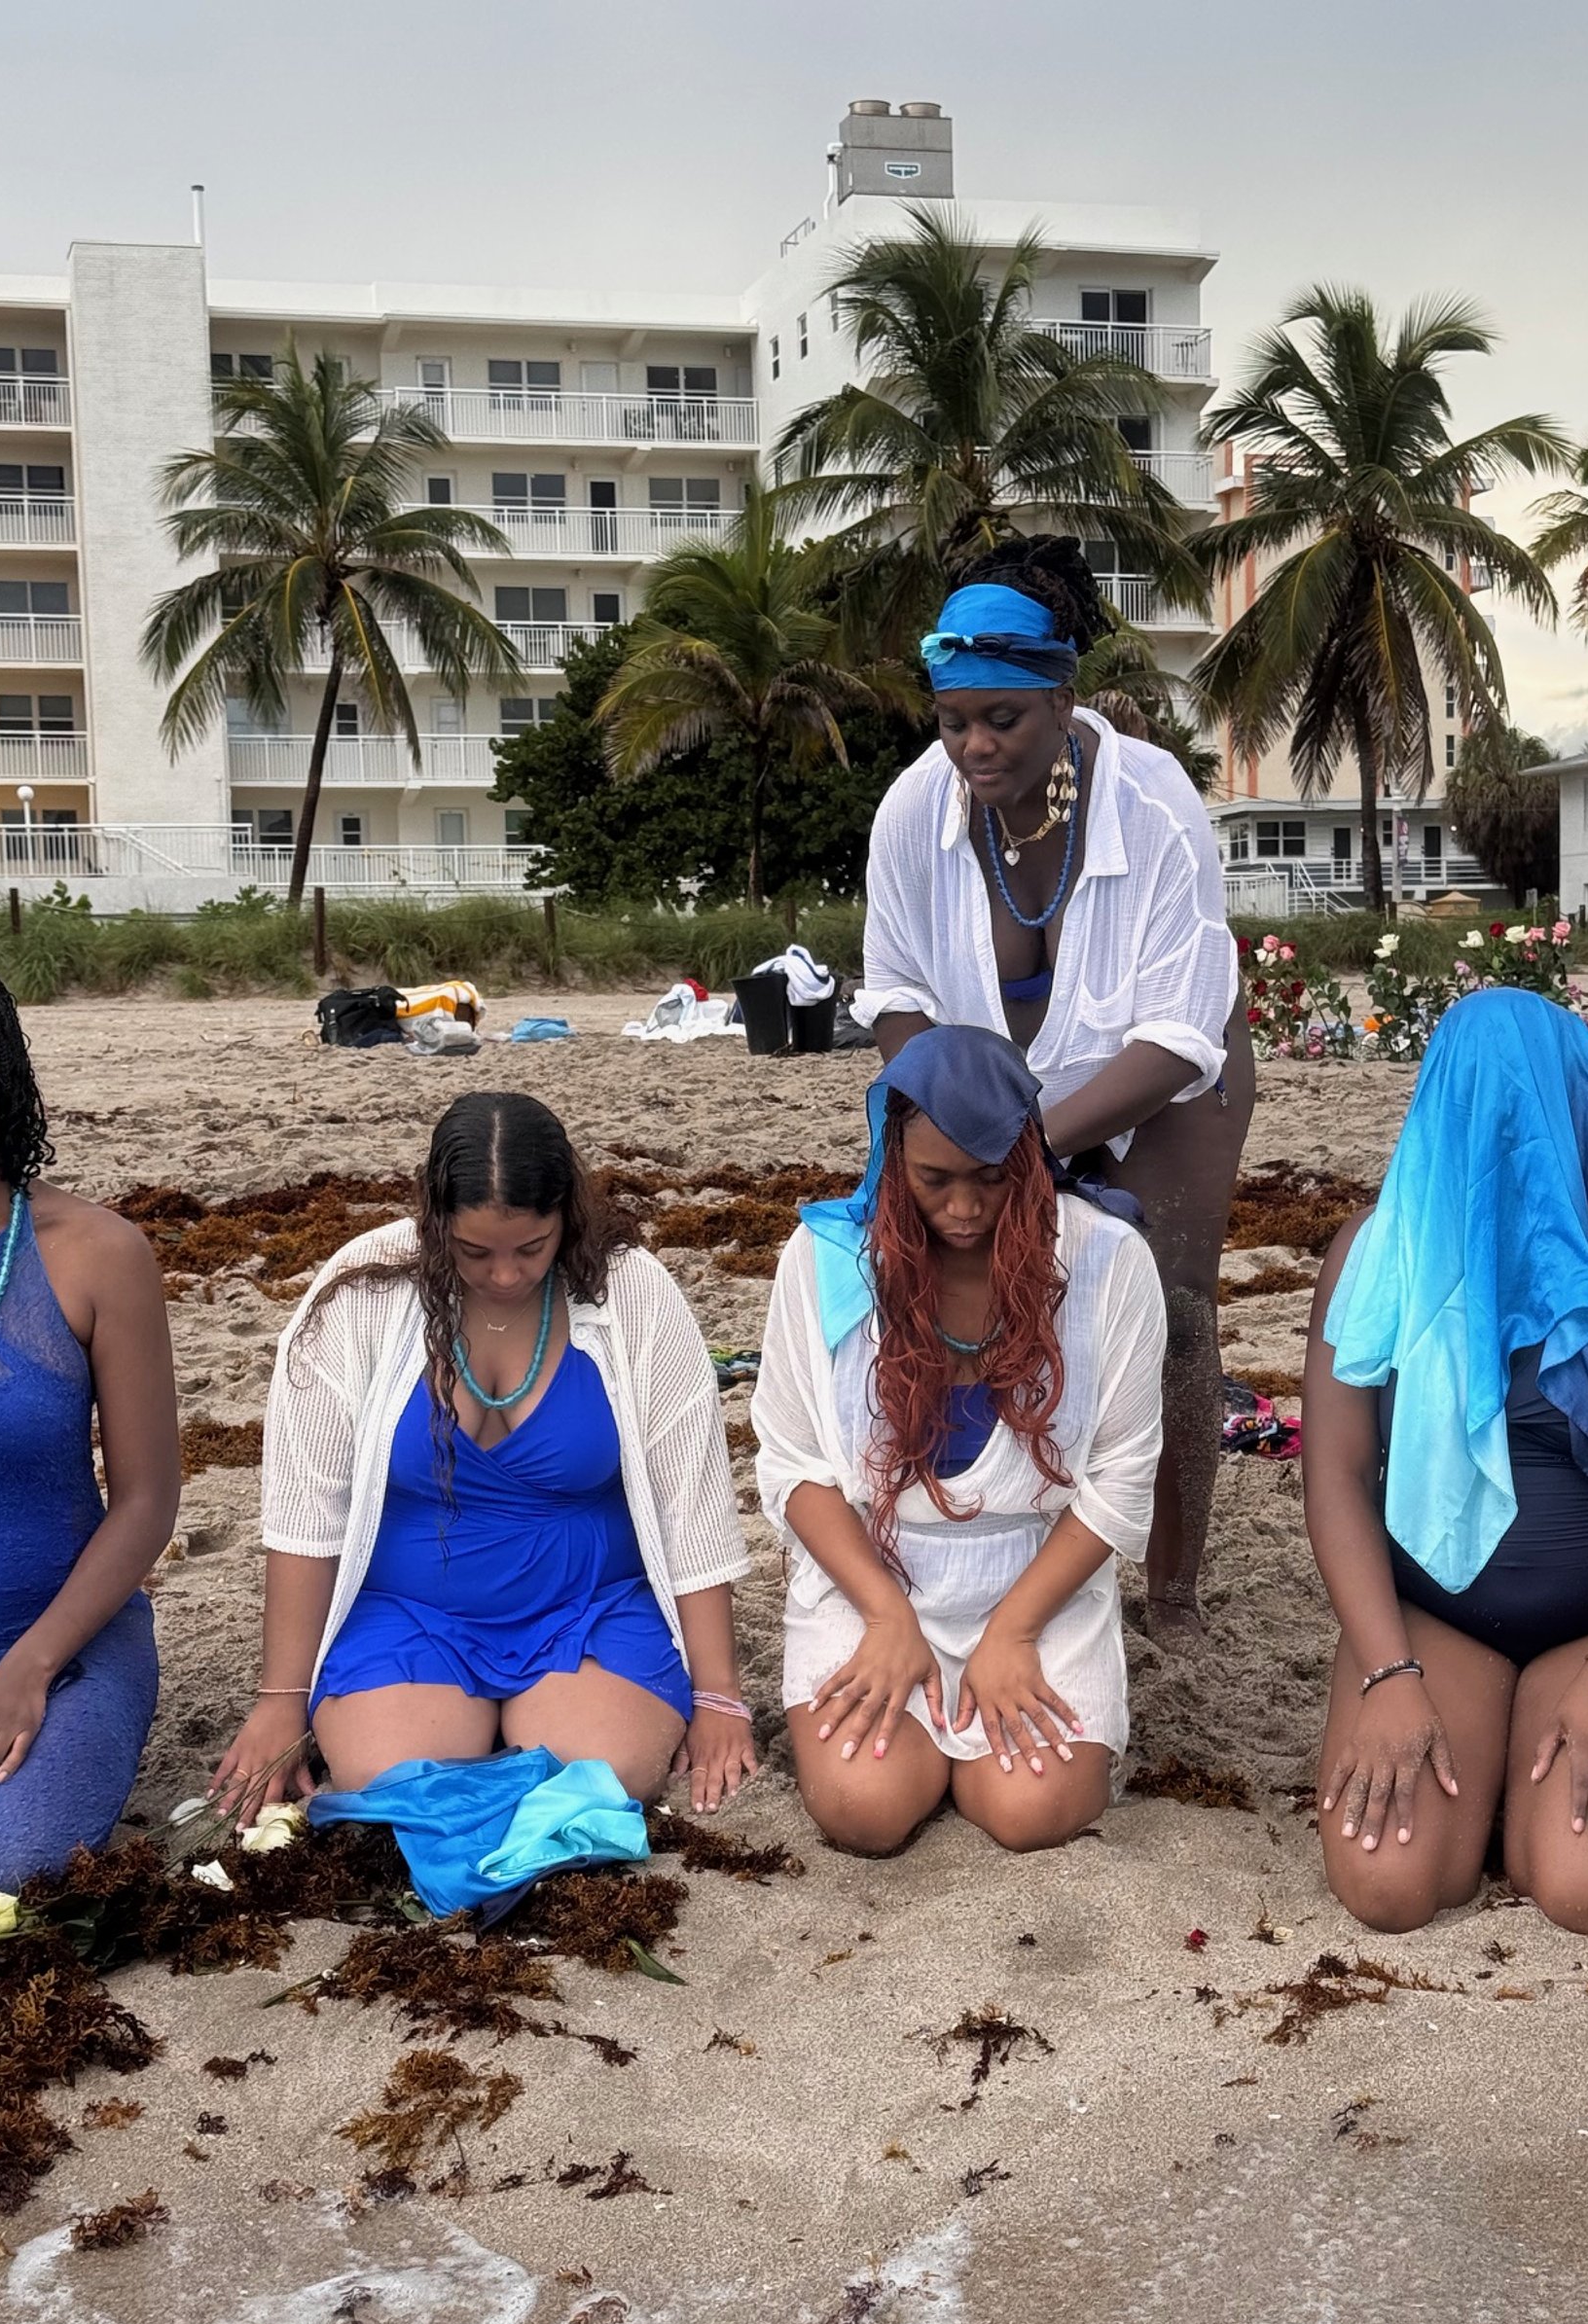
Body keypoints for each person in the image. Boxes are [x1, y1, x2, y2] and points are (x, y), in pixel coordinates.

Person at [854, 534, 1251, 1645]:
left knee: (1165, 1302)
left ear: (1063, 697)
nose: (973, 745)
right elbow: (893, 989)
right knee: (945, 1260)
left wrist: (1024, 1145)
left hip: (1166, 1072)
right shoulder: (911, 813)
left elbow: (1179, 1031)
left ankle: (1171, 1593)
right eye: (952, 721)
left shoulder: (1154, 805)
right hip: (989, 1087)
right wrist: (950, 1121)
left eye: (1002, 720)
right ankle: (975, 1527)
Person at [1301, 989, 1588, 1943]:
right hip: (1432, 1619)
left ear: (1578, 1101)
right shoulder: (1376, 1251)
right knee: (1388, 1888)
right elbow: (1333, 1479)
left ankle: (1544, 1764)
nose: (1508, 1134)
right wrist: (1387, 1674)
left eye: (1529, 1108)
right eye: (1480, 1108)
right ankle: (1490, 1761)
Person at [211, 1091, 752, 1856]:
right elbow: (306, 1508)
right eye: (474, 1252)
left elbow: (691, 1500)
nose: (504, 1275)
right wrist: (279, 1700)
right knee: (386, 1778)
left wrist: (718, 1693)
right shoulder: (363, 1289)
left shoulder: (631, 1291)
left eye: (531, 1248)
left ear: (567, 1217)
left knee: (609, 1772)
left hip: (588, 1609)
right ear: (434, 1224)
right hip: (409, 1611)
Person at [753, 1025, 1166, 1855]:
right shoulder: (827, 1258)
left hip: (1034, 1583)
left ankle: (991, 1713)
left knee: (1033, 1811)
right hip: (873, 1573)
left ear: (1031, 1156)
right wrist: (883, 1612)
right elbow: (793, 1464)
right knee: (863, 1808)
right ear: (889, 1157)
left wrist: (1013, 1631)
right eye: (933, 1180)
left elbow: (1121, 1481)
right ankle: (912, 1717)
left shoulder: (1106, 1259)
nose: (966, 1209)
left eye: (992, 1179)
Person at [0, 950, 177, 1930]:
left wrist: (26, 1671)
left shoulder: (98, 1254)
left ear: (3, 1076)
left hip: (64, 1650)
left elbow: (148, 1501)